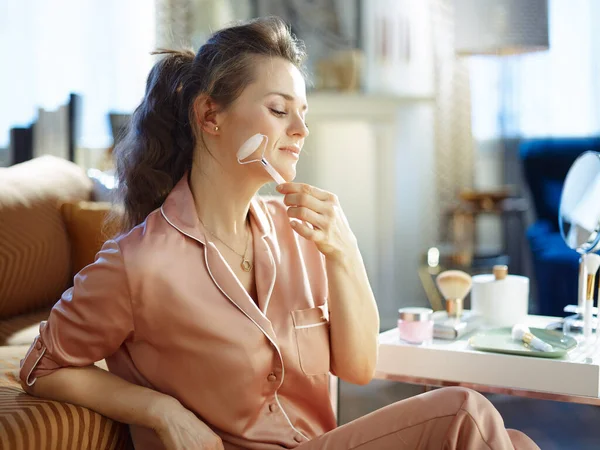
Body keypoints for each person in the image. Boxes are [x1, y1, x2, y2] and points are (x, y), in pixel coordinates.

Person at [19, 16, 539, 450]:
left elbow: (358, 367)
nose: (300, 130)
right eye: (278, 109)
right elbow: (42, 366)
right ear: (210, 116)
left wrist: (343, 249)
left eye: (303, 113)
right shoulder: (140, 262)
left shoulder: (298, 234)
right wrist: (160, 410)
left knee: (514, 442)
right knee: (466, 414)